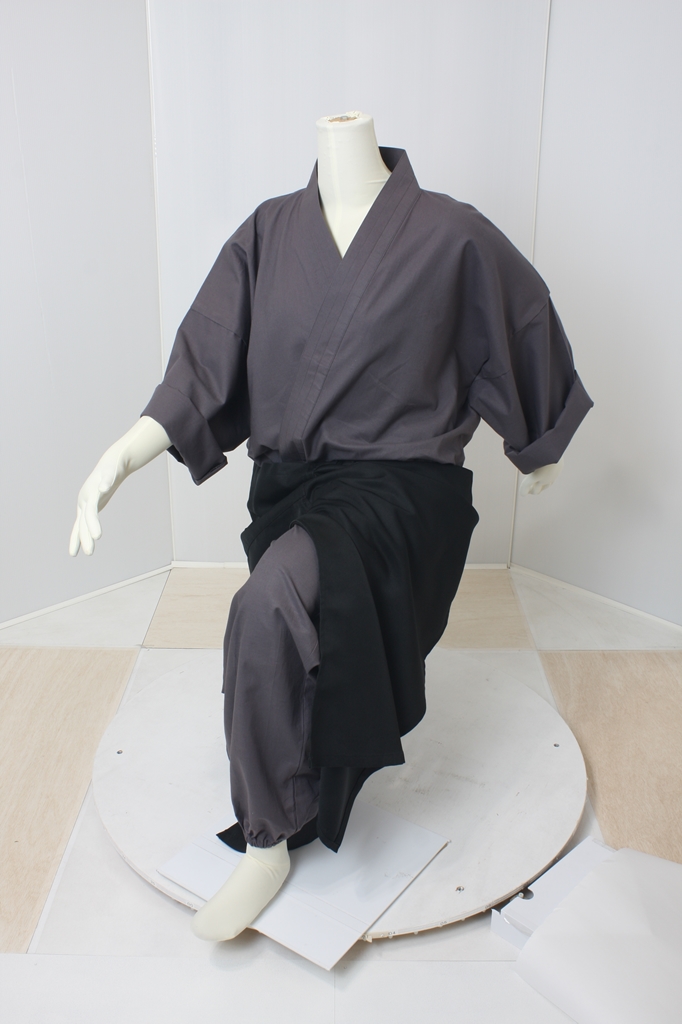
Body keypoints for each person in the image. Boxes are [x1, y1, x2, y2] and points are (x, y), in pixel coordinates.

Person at [70, 111, 592, 940]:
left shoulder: (451, 235)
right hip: (294, 489)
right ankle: (292, 759)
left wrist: (539, 446)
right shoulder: (268, 233)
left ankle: (266, 839)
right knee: (285, 620)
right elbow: (204, 359)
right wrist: (119, 458)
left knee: (266, 606)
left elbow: (519, 318)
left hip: (400, 493)